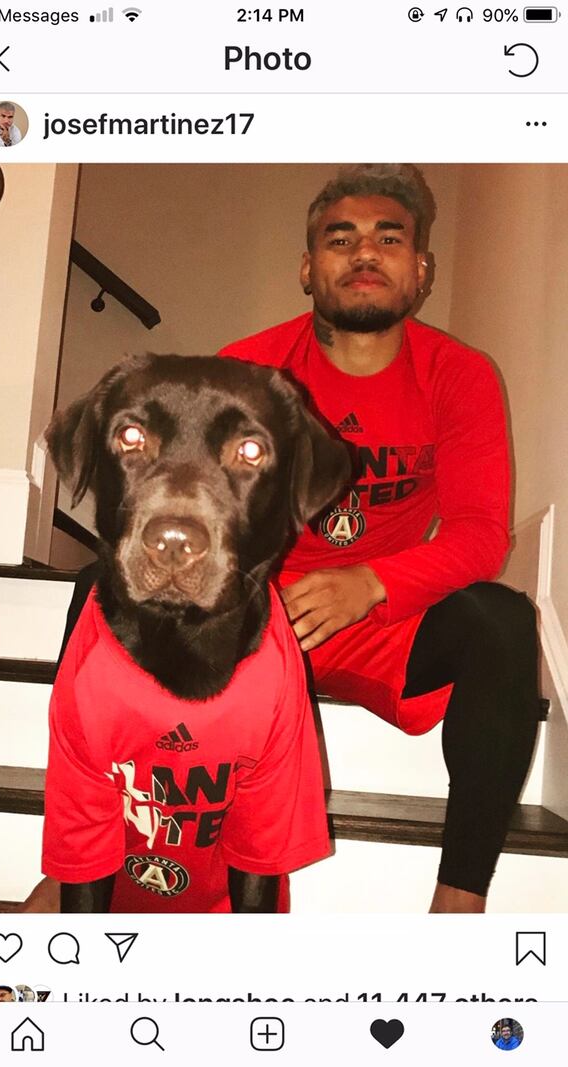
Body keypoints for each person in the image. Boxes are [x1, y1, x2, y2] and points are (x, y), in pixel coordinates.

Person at [219, 164, 540, 913]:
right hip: (258, 618)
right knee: (101, 587)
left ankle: (459, 901)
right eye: (341, 238)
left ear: (420, 270)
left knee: (500, 618)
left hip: (381, 622)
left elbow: (480, 534)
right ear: (308, 267)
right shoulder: (246, 369)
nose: (365, 252)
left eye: (388, 238)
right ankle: (82, 864)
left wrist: (370, 582)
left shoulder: (460, 375)